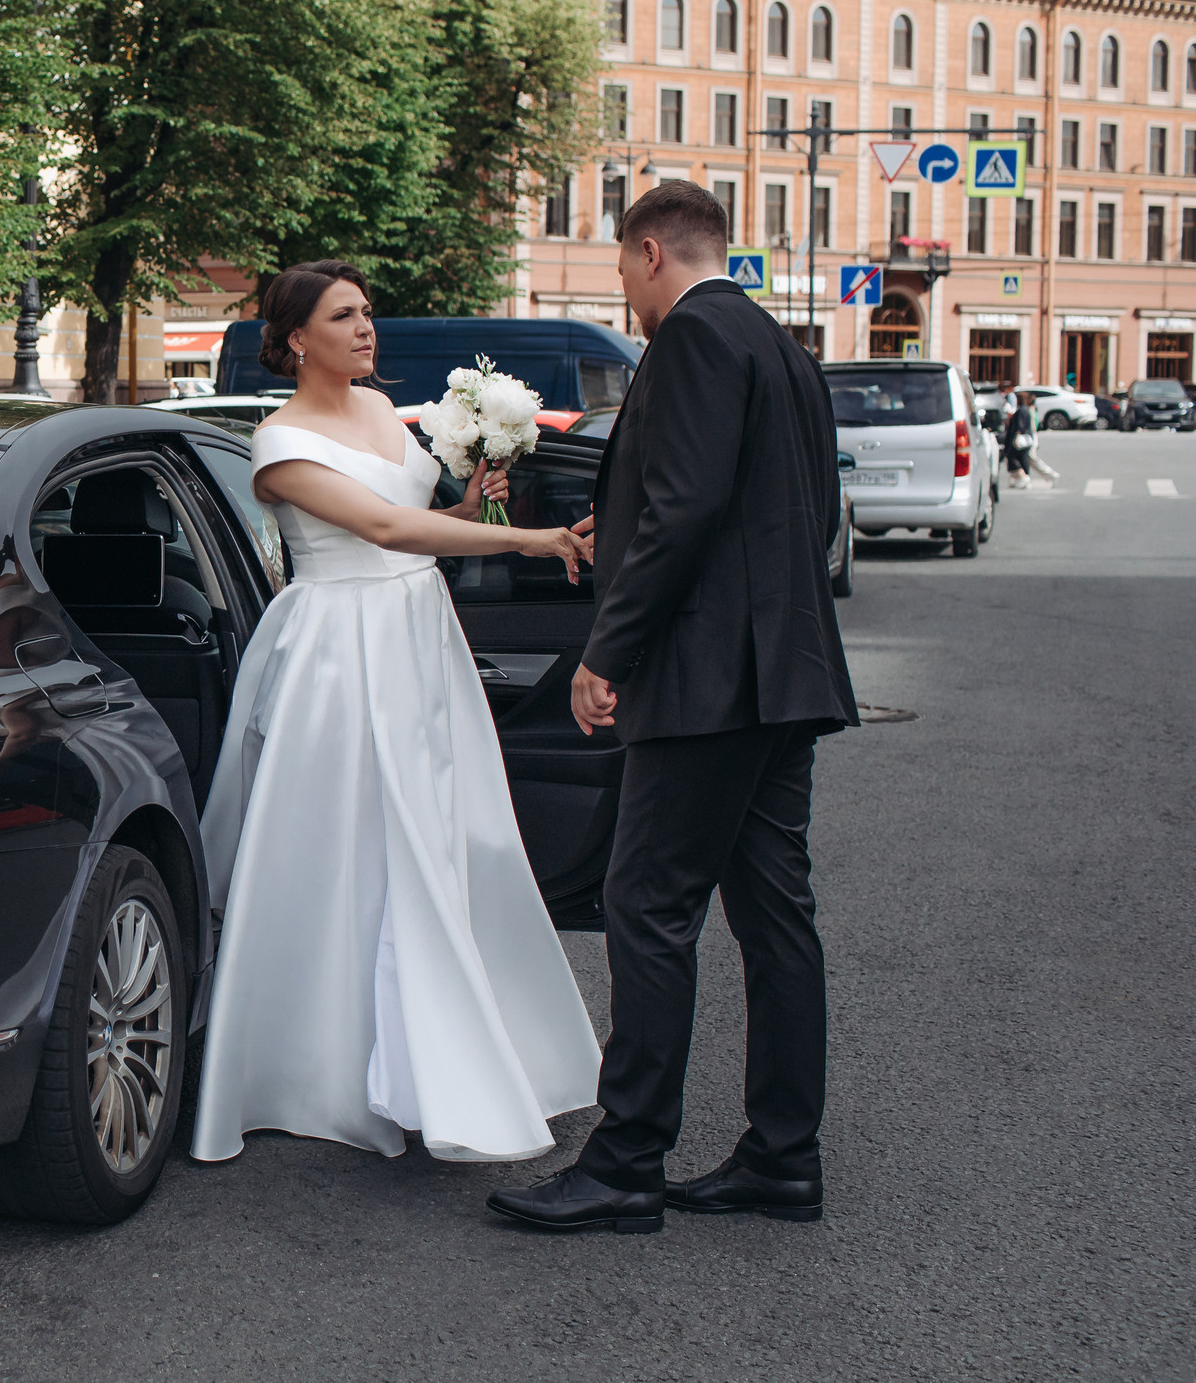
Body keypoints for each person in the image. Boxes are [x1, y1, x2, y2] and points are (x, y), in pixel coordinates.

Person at [488, 181, 857, 1235]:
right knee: (776, 917)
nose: (626, 297)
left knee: (646, 907)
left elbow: (681, 508)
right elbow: (813, 505)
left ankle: (626, 1162)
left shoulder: (691, 339)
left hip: (705, 681)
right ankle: (783, 1158)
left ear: (650, 252)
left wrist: (609, 650)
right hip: (783, 672)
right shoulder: (779, 345)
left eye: (619, 273)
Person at [192, 261, 602, 1170]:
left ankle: (437, 1054)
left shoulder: (384, 412)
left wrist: (479, 497)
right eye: (345, 316)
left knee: (446, 834)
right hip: (342, 650)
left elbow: (428, 519)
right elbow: (383, 530)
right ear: (298, 338)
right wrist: (525, 537)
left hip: (421, 636)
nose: (366, 327)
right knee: (352, 850)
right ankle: (325, 1067)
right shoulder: (278, 442)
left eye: (368, 312)